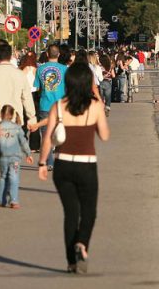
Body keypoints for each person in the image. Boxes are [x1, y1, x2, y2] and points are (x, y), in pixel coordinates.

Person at [38, 62, 110, 274]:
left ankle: (71, 262)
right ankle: (82, 244)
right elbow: (105, 136)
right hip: (86, 165)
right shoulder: (95, 106)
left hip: (62, 166)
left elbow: (48, 140)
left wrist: (43, 163)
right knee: (89, 211)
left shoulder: (58, 106)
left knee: (70, 213)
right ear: (89, 83)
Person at [0, 41, 36, 131]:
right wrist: (32, 117)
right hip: (15, 118)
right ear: (10, 56)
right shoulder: (20, 74)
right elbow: (27, 97)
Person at [33, 44, 68, 169]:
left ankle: (49, 162)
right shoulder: (65, 69)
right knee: (61, 134)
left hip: (45, 104)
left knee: (46, 135)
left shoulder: (40, 69)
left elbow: (37, 87)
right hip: (60, 105)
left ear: (47, 54)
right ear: (58, 54)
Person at [0, 105, 32, 208]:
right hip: (15, 157)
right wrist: (28, 153)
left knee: (3, 177)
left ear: (1, 114)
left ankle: (2, 200)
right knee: (14, 177)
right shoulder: (17, 128)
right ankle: (14, 200)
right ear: (12, 115)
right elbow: (23, 141)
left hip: (2, 156)